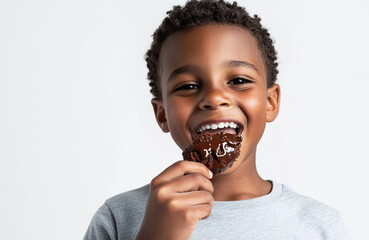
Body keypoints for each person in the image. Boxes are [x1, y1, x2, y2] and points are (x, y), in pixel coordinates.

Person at [84, 0, 351, 239]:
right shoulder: (118, 218)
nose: (214, 97)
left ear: (270, 102)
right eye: (188, 86)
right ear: (162, 113)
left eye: (238, 81)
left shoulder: (319, 225)